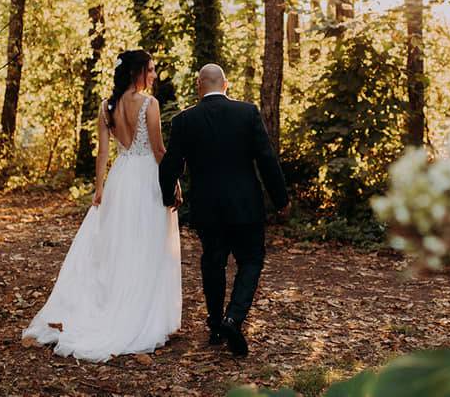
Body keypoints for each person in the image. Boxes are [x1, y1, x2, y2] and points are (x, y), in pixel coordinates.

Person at [21, 49, 182, 361]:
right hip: (146, 177)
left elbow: (103, 153)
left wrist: (100, 190)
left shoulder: (107, 106)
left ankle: (115, 303)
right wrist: (173, 180)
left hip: (121, 178)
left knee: (119, 245)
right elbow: (160, 149)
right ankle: (139, 313)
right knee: (147, 243)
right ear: (137, 72)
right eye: (149, 70)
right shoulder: (149, 103)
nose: (153, 75)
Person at [159, 63, 290, 357]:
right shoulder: (247, 113)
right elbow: (266, 159)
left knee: (213, 262)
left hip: (207, 207)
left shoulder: (184, 121)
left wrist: (168, 196)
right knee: (251, 260)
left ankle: (217, 324)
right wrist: (281, 199)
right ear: (226, 84)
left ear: (198, 86)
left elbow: (170, 165)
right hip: (246, 205)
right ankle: (234, 318)